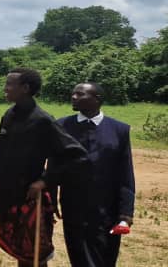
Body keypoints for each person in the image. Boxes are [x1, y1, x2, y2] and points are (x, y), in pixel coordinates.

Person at [0, 69, 88, 267]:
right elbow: (1, 160)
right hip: (8, 196)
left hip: (31, 199)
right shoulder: (8, 116)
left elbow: (76, 156)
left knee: (35, 255)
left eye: (9, 84)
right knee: (20, 252)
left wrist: (44, 181)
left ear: (25, 88)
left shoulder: (43, 120)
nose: (5, 88)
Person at [56, 82, 134, 266]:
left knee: (106, 257)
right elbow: (55, 166)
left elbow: (125, 173)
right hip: (73, 205)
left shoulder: (119, 130)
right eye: (73, 93)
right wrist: (50, 200)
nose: (74, 97)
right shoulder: (62, 126)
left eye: (80, 94)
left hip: (108, 208)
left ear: (97, 99)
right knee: (79, 256)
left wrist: (125, 215)